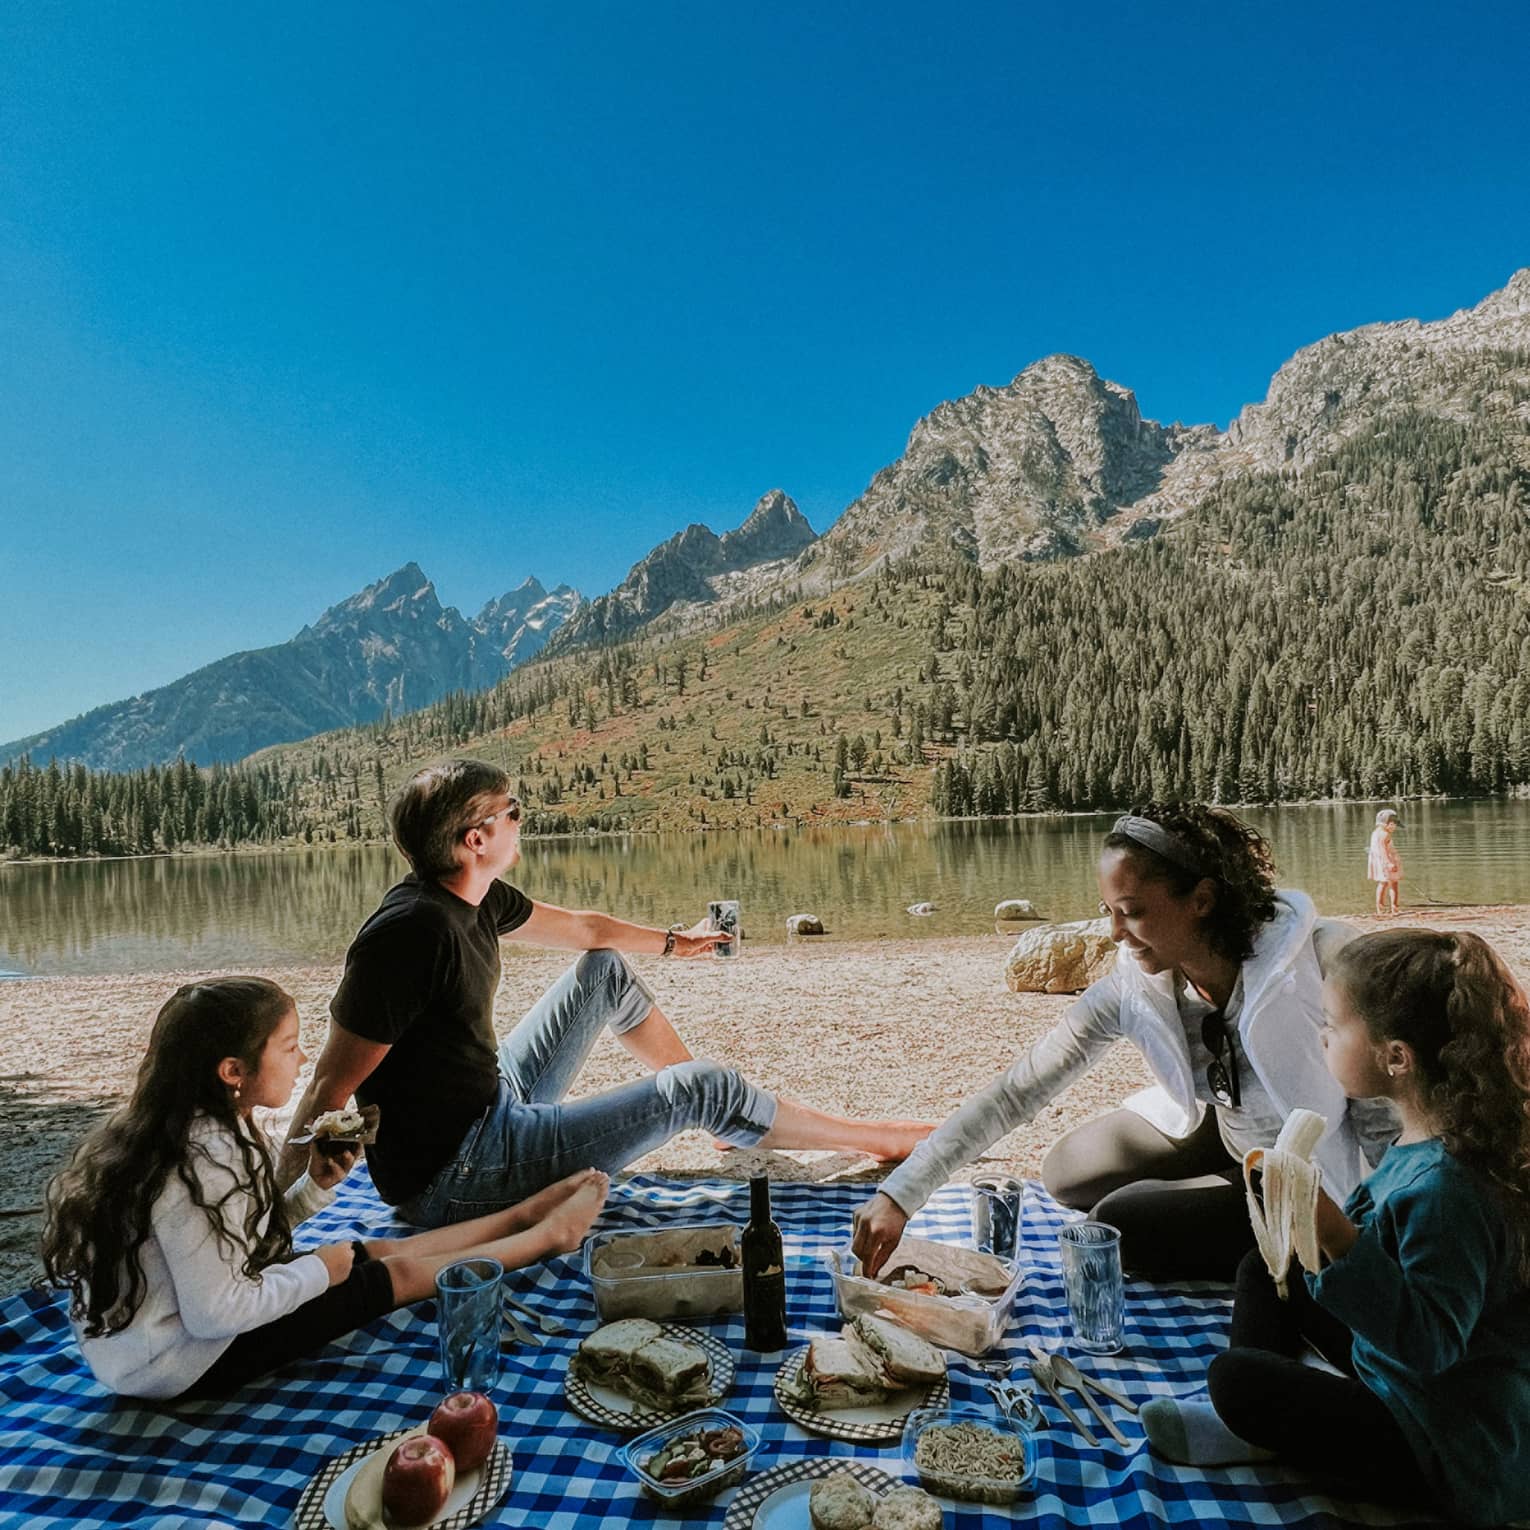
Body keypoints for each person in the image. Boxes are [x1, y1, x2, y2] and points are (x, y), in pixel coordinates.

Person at [280, 758, 929, 1225]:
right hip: (458, 1175)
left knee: (602, 970)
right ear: (475, 839)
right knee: (704, 1086)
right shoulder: (406, 937)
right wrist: (275, 1227)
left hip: (491, 1102)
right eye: (514, 812)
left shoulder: (473, 895)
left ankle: (725, 1120)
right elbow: (327, 1090)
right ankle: (872, 1140)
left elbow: (588, 930)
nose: (521, 822)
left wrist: (681, 941)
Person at [852, 803, 1398, 1282]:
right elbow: (1019, 1090)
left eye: (1131, 912)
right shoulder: (1138, 986)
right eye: (1108, 912)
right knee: (1065, 1170)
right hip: (1228, 1128)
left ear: (1202, 900)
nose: (1115, 933)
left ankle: (1234, 1198)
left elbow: (1386, 1115)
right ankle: (1221, 1177)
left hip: (1311, 1177)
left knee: (1119, 1225)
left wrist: (1380, 1234)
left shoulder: (1323, 963)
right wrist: (902, 1192)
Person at [40, 978, 610, 1401]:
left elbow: (238, 1244)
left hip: (159, 1338)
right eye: (288, 1046)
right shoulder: (203, 1158)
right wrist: (321, 1272)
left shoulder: (190, 1126)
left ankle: (522, 1217)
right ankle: (550, 1237)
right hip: (180, 1361)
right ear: (232, 1070)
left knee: (370, 1251)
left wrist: (313, 1189)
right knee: (389, 1276)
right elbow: (218, 1312)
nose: (303, 1058)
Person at [1142, 929, 1530, 1527]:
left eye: (1334, 1024)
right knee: (1264, 1268)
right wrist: (1317, 1237)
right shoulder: (1427, 1143)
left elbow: (1429, 1344)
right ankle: (1253, 1421)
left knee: (1238, 1379)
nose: (1322, 1036)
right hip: (1403, 1372)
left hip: (1446, 1441)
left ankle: (1256, 1425)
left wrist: (1338, 1236)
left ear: (1396, 1056)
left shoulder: (1449, 1189)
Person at [1367, 808, 1403, 916]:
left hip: (1378, 861)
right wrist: (1388, 863)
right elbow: (1382, 849)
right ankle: (1394, 907)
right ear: (1387, 824)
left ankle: (1380, 908)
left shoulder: (1376, 833)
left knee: (1382, 883)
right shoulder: (1385, 835)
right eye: (1393, 824)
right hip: (1386, 861)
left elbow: (1375, 849)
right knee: (1393, 883)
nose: (1394, 827)